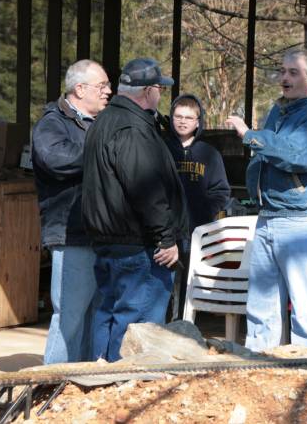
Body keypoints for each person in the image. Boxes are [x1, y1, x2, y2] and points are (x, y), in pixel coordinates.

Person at [225, 48, 307, 351]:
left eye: (293, 72)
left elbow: (297, 156)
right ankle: (257, 363)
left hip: (300, 220)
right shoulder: (281, 109)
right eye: (282, 71)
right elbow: (268, 156)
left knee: (303, 305)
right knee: (261, 303)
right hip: (269, 215)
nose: (284, 78)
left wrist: (250, 135)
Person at [82, 57, 189, 362]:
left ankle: (99, 380)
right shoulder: (132, 128)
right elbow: (146, 190)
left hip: (110, 243)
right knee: (137, 326)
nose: (160, 95)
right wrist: (166, 238)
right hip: (138, 247)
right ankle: (123, 381)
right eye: (159, 89)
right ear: (147, 91)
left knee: (108, 315)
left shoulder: (103, 121)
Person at [32, 59, 112, 364]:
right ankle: (53, 383)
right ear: (80, 89)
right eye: (102, 85)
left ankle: (81, 382)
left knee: (94, 316)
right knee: (70, 317)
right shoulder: (52, 124)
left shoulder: (98, 123)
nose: (108, 91)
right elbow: (57, 160)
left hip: (99, 233)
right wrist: (103, 152)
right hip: (71, 232)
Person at [166, 94, 231, 319]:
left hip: (195, 230)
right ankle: (163, 325)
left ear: (198, 122)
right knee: (163, 284)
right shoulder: (161, 148)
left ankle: (185, 324)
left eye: (188, 118)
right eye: (178, 116)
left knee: (190, 282)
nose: (183, 121)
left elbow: (221, 191)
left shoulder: (209, 154)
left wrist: (205, 211)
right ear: (171, 118)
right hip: (164, 230)